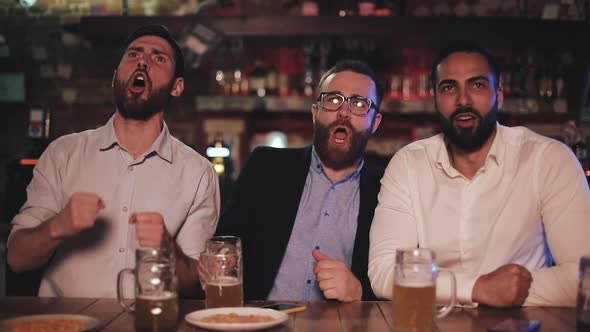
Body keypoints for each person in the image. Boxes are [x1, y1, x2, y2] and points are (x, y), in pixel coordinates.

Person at [368, 41, 590, 307]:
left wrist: (508, 292)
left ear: (499, 93)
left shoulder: (548, 159)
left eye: (477, 85)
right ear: (435, 98)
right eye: (449, 87)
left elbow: (584, 278)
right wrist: (478, 288)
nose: (463, 100)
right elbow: (383, 272)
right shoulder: (408, 164)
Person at [7, 24, 220, 298]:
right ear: (115, 77)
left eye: (158, 58)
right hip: (65, 324)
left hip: (151, 323)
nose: (142, 61)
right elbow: (16, 259)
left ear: (177, 87)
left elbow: (193, 281)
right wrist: (57, 226)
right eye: (134, 55)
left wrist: (168, 250)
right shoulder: (63, 153)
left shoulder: (198, 172)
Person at [211, 59, 383, 302]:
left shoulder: (385, 196)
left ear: (375, 122)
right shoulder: (265, 167)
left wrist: (359, 291)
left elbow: (395, 280)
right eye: (333, 99)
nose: (344, 112)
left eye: (359, 104)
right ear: (315, 112)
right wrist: (220, 260)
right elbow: (225, 244)